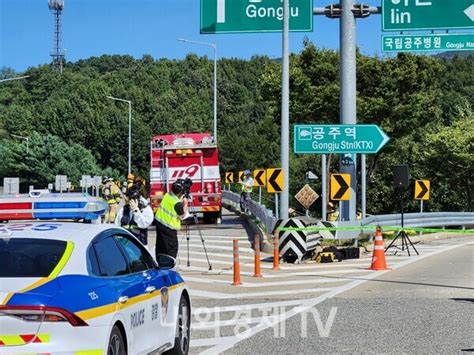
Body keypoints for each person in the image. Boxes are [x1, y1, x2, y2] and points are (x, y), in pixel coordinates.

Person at [154, 179, 189, 259]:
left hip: (159, 225)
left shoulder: (167, 195)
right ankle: (169, 265)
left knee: (161, 248)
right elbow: (182, 216)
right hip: (169, 229)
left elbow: (174, 199)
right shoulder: (177, 204)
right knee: (171, 249)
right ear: (181, 191)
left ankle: (160, 263)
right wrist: (185, 203)